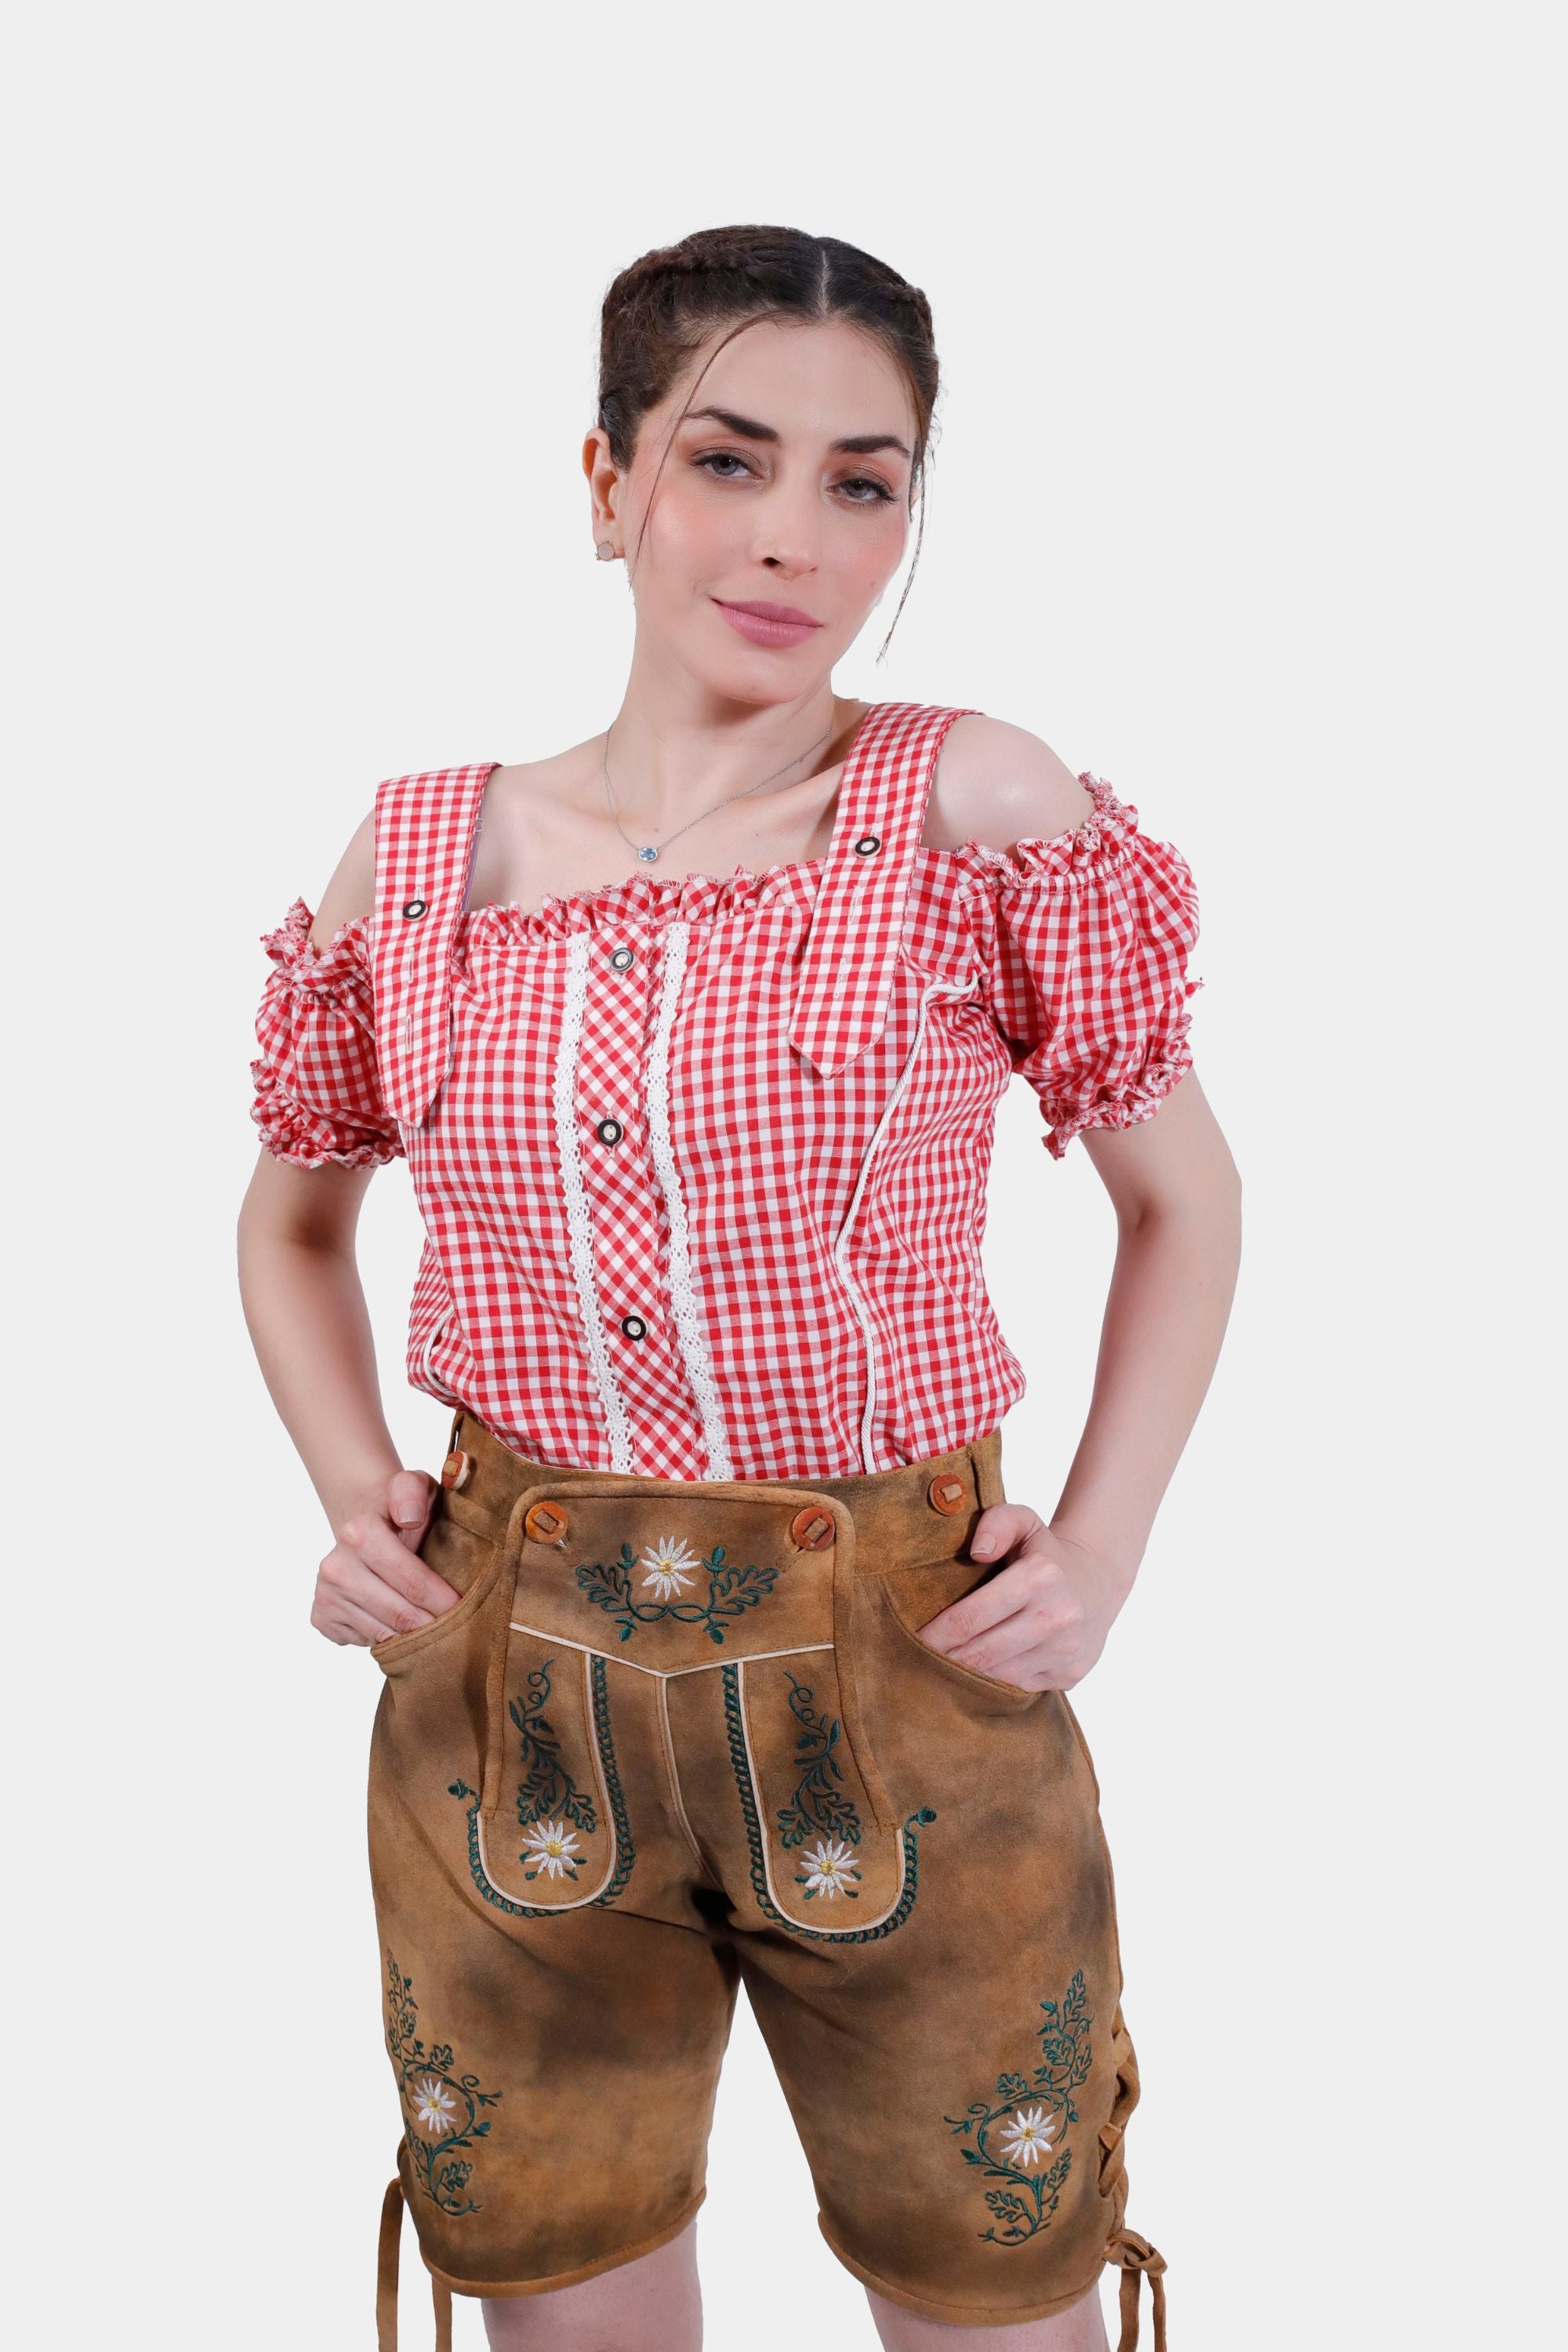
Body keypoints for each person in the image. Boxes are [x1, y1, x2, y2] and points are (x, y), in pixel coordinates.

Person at [237, 223, 1241, 2352]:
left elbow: (1186, 1199)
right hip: (502, 1693)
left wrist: (1109, 1543)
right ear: (607, 484)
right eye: (727, 460)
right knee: (569, 2308)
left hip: (907, 1660)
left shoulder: (972, 805)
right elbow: (292, 1218)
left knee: (997, 2288)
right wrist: (352, 1494)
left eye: (863, 483)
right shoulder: (418, 858)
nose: (793, 536)